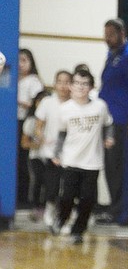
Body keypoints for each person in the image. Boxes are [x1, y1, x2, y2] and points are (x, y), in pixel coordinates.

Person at [52, 68, 114, 244]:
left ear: (91, 87)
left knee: (87, 199)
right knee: (67, 196)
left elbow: (109, 124)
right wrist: (57, 154)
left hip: (92, 162)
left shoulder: (100, 107)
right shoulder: (65, 109)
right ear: (71, 86)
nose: (81, 87)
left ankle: (78, 230)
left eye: (85, 84)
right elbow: (62, 134)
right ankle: (61, 219)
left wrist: (109, 137)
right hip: (71, 160)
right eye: (77, 83)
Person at [96, 18, 128, 228]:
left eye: (111, 34)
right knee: (111, 167)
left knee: (124, 168)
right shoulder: (111, 55)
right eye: (105, 34)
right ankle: (114, 210)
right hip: (108, 120)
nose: (107, 38)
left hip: (124, 121)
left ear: (121, 33)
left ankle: (124, 214)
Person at [34, 70, 72, 227]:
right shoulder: (47, 102)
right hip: (51, 152)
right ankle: (50, 210)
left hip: (72, 153)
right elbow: (38, 126)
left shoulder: (75, 104)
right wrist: (41, 138)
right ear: (55, 83)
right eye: (60, 81)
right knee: (52, 185)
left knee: (69, 188)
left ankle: (66, 215)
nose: (63, 86)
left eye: (66, 82)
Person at [17, 48, 43, 208]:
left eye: (24, 60)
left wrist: (18, 102)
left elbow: (37, 104)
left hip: (25, 122)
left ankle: (25, 197)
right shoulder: (13, 78)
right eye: (18, 60)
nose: (20, 64)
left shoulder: (33, 81)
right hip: (11, 122)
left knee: (24, 162)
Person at [21, 89, 49, 221]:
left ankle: (48, 208)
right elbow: (24, 143)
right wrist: (37, 145)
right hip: (36, 156)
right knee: (38, 180)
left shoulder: (56, 120)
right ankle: (36, 207)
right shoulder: (31, 121)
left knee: (51, 182)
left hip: (51, 157)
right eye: (40, 101)